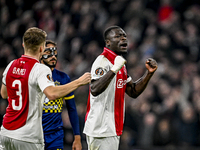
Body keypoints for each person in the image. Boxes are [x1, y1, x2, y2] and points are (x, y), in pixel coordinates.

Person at [0, 27, 91, 150]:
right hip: (28, 136)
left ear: (23, 45)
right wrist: (79, 82)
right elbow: (52, 93)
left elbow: (4, 93)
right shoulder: (40, 69)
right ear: (42, 49)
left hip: (7, 132)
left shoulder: (11, 64)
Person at [83, 26, 158, 150]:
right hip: (101, 129)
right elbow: (94, 89)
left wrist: (149, 73)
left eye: (125, 36)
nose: (124, 39)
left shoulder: (119, 64)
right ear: (108, 42)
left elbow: (133, 91)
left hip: (111, 128)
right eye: (118, 36)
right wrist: (113, 69)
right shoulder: (102, 61)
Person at [40, 40, 82, 150]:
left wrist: (77, 137)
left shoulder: (63, 78)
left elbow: (72, 108)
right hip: (35, 133)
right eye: (48, 52)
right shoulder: (34, 76)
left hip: (56, 135)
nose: (53, 56)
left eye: (55, 52)